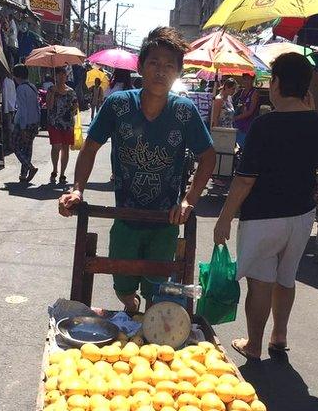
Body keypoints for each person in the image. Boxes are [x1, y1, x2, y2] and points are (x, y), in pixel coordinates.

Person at [59, 26, 216, 313]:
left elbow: (208, 156)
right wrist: (77, 188)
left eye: (170, 66)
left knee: (158, 291)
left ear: (178, 73)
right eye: (154, 63)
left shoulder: (184, 111)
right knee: (123, 287)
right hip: (125, 216)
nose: (161, 71)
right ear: (141, 67)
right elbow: (90, 147)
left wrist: (189, 200)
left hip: (165, 220)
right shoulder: (118, 105)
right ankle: (131, 305)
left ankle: (149, 318)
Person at [213, 53, 318, 360]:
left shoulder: (264, 125)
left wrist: (224, 217)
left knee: (261, 280)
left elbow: (244, 180)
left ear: (276, 83)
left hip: (263, 217)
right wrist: (314, 116)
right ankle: (279, 335)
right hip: (302, 215)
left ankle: (254, 344)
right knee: (286, 277)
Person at [46, 67, 78, 185]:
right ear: (56, 76)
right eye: (59, 74)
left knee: (65, 148)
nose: (61, 77)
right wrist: (53, 94)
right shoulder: (51, 89)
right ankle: (55, 169)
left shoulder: (71, 91)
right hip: (54, 123)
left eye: (63, 74)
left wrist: (72, 108)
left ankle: (62, 173)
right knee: (56, 146)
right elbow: (48, 106)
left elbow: (76, 106)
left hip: (67, 124)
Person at [12, 63, 41, 182]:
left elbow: (23, 110)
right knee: (27, 148)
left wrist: (23, 128)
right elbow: (36, 106)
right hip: (34, 122)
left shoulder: (20, 89)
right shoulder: (32, 87)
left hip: (25, 123)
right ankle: (23, 174)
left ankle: (30, 167)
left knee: (15, 145)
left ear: (16, 76)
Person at [233, 73, 260, 147]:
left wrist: (236, 118)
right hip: (238, 123)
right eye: (244, 79)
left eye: (248, 79)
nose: (246, 82)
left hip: (248, 123)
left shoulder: (254, 92)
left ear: (252, 80)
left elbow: (250, 111)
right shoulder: (241, 91)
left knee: (245, 145)